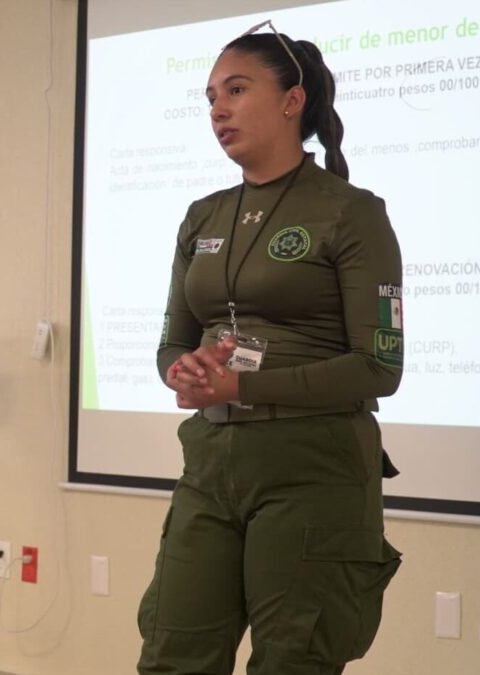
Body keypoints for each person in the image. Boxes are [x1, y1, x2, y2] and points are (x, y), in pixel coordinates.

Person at [137, 21, 404, 675]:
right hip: (210, 463)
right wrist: (184, 368)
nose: (217, 109)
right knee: (173, 654)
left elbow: (379, 366)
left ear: (293, 100)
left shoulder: (351, 212)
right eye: (209, 97)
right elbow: (174, 338)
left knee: (293, 660)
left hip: (313, 467)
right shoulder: (202, 214)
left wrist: (243, 387)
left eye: (235, 89)